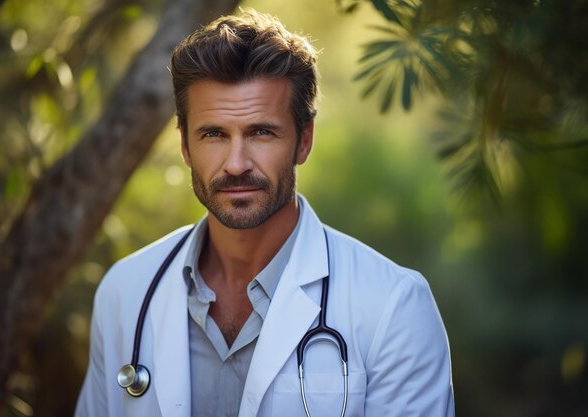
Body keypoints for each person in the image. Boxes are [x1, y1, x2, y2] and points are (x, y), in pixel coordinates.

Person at [75, 9, 454, 417]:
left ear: (303, 141)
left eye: (261, 132)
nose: (236, 163)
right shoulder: (125, 293)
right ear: (185, 146)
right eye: (214, 134)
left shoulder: (393, 308)